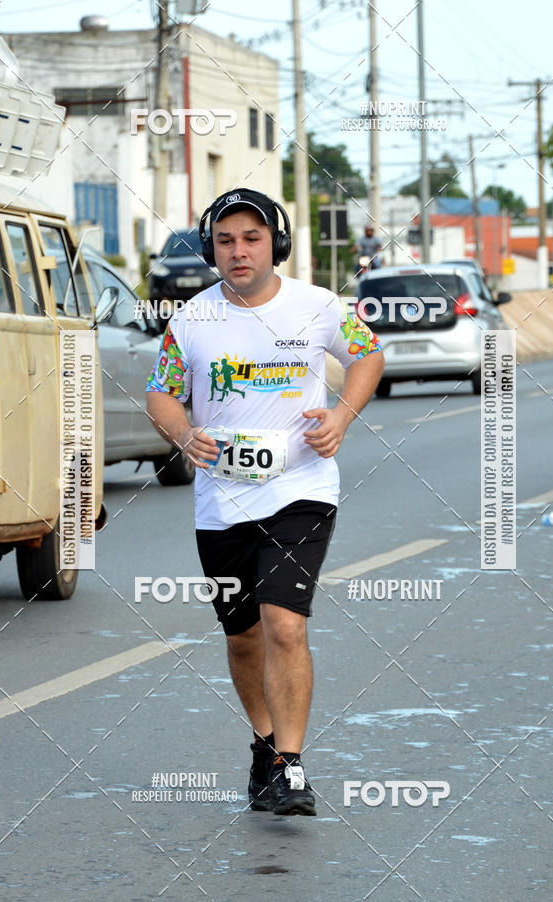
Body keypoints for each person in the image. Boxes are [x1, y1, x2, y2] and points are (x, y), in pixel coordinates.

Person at [145, 188, 384, 817]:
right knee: (243, 637)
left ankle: (292, 766)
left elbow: (367, 354)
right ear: (210, 249)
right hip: (220, 501)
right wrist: (182, 432)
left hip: (300, 488)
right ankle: (265, 745)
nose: (238, 251)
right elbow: (162, 394)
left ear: (274, 243)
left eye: (252, 238)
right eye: (225, 240)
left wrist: (341, 415)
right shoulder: (191, 319)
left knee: (284, 623)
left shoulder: (317, 306)